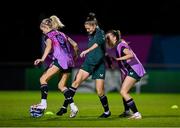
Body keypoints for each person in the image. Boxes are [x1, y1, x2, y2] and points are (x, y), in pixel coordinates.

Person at [56, 12, 111, 118]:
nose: (87, 30)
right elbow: (93, 23)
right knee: (75, 83)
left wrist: (87, 50)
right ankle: (64, 108)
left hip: (99, 65)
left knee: (100, 91)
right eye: (86, 28)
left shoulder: (100, 33)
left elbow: (97, 44)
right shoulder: (91, 32)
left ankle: (107, 112)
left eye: (88, 28)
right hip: (88, 63)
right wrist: (91, 17)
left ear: (94, 26)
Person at [32, 15, 79, 118]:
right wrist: (75, 56)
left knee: (43, 79)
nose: (42, 32)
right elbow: (75, 45)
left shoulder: (48, 35)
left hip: (60, 60)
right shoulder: (62, 34)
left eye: (42, 29)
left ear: (46, 27)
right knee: (61, 86)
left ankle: (43, 104)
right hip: (69, 61)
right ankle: (73, 106)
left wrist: (42, 59)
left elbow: (48, 47)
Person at [105, 30, 146, 119]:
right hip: (131, 70)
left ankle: (137, 114)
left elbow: (130, 55)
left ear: (115, 38)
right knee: (124, 91)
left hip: (135, 69)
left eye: (108, 38)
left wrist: (118, 59)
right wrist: (114, 61)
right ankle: (128, 111)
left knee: (123, 91)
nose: (107, 39)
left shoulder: (121, 45)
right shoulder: (119, 45)